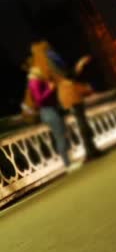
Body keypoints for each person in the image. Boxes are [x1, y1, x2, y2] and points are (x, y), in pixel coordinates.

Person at [27, 41, 80, 172]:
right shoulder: (34, 82)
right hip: (47, 111)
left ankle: (70, 160)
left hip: (52, 109)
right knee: (59, 136)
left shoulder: (39, 80)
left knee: (63, 134)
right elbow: (39, 100)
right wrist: (50, 89)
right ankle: (67, 164)